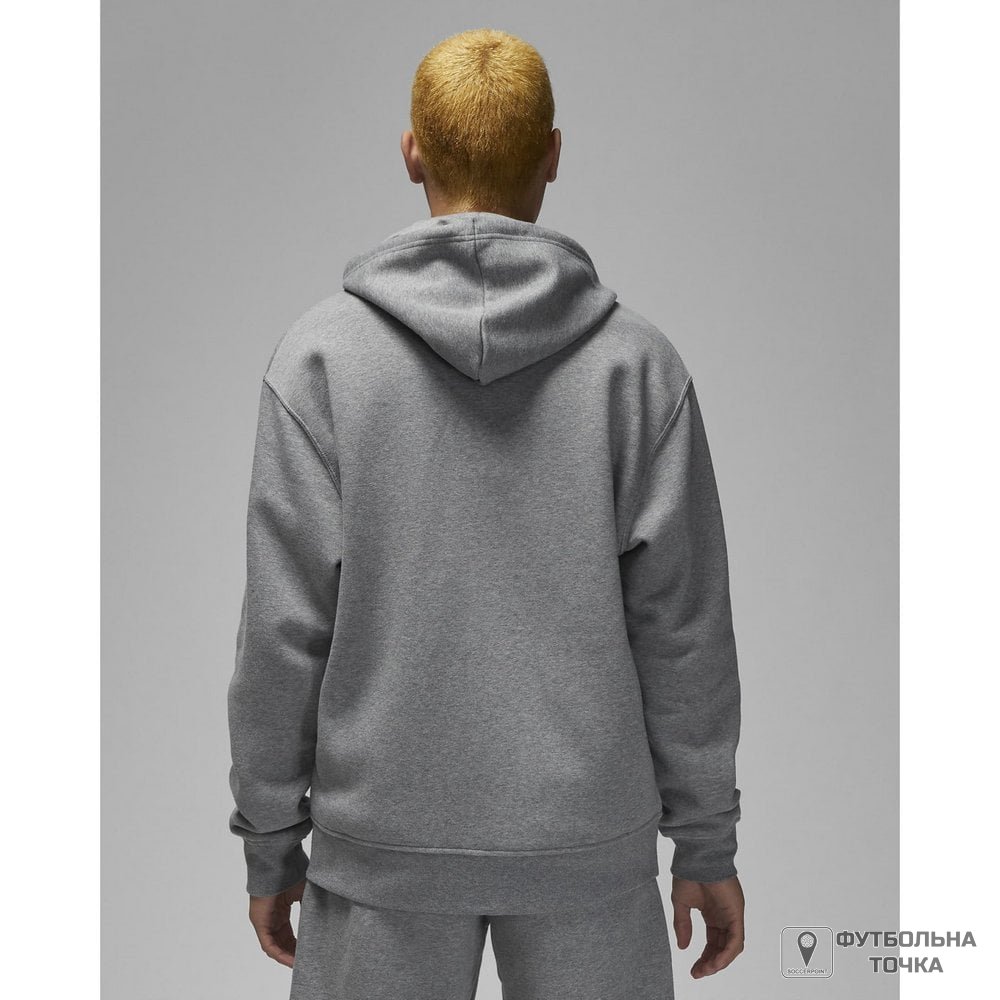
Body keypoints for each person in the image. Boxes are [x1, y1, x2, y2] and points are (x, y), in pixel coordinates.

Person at [227, 27, 745, 1000]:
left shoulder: (321, 362)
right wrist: (705, 841)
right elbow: (684, 630)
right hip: (587, 851)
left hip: (379, 851)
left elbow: (282, 632)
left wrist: (270, 840)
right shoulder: (636, 368)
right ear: (552, 154)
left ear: (411, 152)